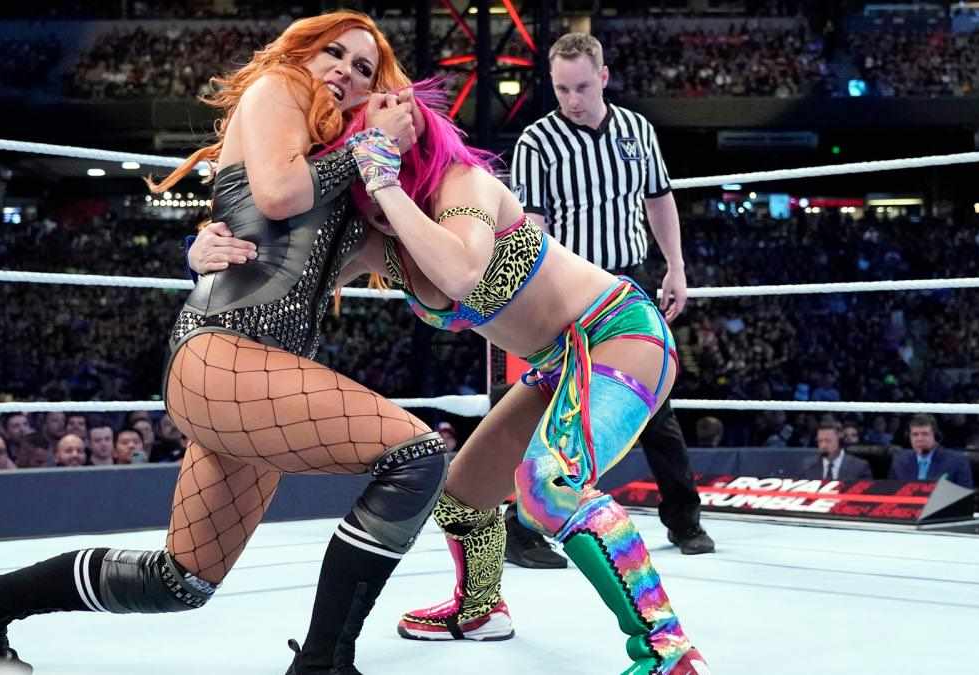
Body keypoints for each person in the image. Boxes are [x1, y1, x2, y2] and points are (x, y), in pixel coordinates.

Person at [0, 13, 444, 675]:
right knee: (417, 455)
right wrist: (369, 150)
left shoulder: (348, 181)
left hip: (262, 380)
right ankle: (323, 663)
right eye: (332, 52)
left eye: (363, 67)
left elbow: (428, 284)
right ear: (303, 53)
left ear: (376, 91)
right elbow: (277, 195)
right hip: (220, 352)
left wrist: (445, 211)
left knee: (180, 580)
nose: (343, 69)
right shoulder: (280, 88)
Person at [199, 83, 707, 674]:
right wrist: (206, 250)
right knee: (464, 496)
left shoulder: (463, 186)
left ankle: (668, 649)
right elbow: (277, 276)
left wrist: (385, 183)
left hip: (619, 334)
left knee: (549, 484)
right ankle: (479, 609)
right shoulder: (376, 232)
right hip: (556, 361)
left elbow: (462, 272)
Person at [511, 33, 713, 558]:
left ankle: (684, 520)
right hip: (571, 288)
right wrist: (540, 300)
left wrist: (676, 266)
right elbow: (533, 228)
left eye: (581, 87)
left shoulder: (636, 130)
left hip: (631, 282)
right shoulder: (537, 142)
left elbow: (659, 199)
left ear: (603, 77)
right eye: (561, 89)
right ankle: (522, 525)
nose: (572, 100)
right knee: (560, 403)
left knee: (654, 400)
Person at [890, 414, 974, 488]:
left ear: (936, 436)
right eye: (915, 434)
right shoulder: (899, 460)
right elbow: (891, 493)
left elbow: (965, 498)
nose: (919, 439)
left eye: (925, 434)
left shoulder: (957, 461)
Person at [800, 420, 871, 481]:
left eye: (828, 441)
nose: (823, 445)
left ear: (839, 439)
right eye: (820, 441)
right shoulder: (807, 466)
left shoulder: (859, 467)